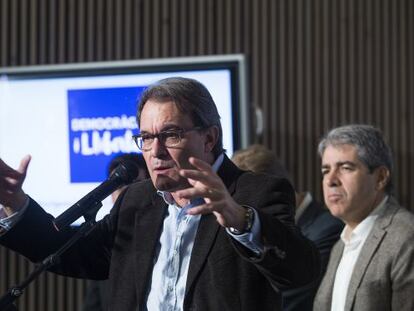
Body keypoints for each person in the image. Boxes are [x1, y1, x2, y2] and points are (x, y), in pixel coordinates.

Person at [0, 77, 320, 311]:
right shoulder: (136, 201)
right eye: (146, 137)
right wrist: (17, 205)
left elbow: (300, 270)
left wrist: (240, 219)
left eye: (170, 135)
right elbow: (74, 253)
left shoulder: (256, 191)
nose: (155, 152)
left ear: (209, 138)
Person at [313, 124, 414, 311]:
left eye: (345, 168)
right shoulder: (341, 243)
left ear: (380, 177)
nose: (331, 180)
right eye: (326, 170)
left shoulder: (406, 238)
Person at [232, 144, 343, 311]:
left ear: (275, 191)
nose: (247, 214)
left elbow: (291, 298)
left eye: (248, 204)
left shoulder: (329, 229)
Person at [81, 153, 150, 311]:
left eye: (136, 185)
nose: (126, 193)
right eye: (119, 186)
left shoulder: (164, 233)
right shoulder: (105, 244)